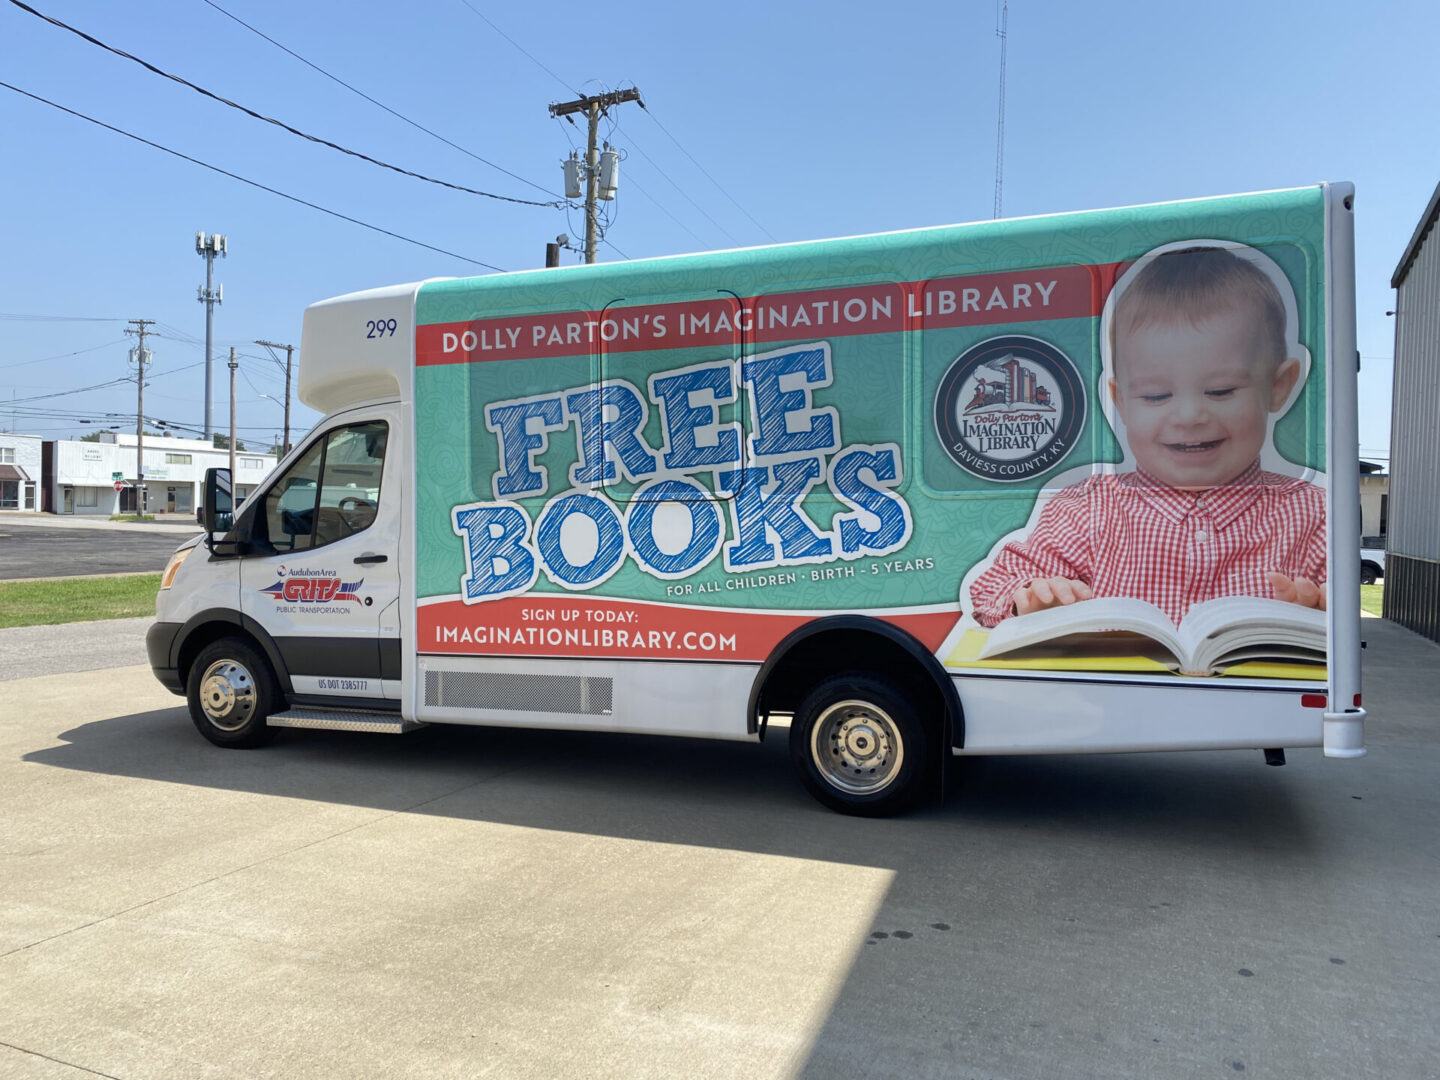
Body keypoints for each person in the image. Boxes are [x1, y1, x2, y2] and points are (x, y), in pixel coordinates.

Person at [968, 244, 1326, 628]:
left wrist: (1322, 614)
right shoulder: (1087, 509)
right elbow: (992, 588)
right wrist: (1032, 598)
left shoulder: (1313, 515)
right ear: (1121, 402)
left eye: (1220, 391)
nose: (1189, 417)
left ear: (1278, 386)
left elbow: (1341, 614)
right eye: (1156, 396)